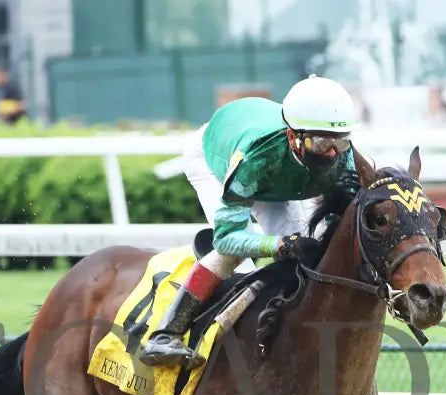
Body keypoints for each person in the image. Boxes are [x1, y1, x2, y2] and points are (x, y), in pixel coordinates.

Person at [139, 74, 360, 369]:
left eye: (341, 141)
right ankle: (166, 334)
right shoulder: (255, 157)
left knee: (307, 255)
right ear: (293, 137)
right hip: (215, 159)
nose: (333, 153)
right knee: (238, 259)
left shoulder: (340, 154)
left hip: (278, 176)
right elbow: (227, 238)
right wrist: (282, 244)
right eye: (321, 143)